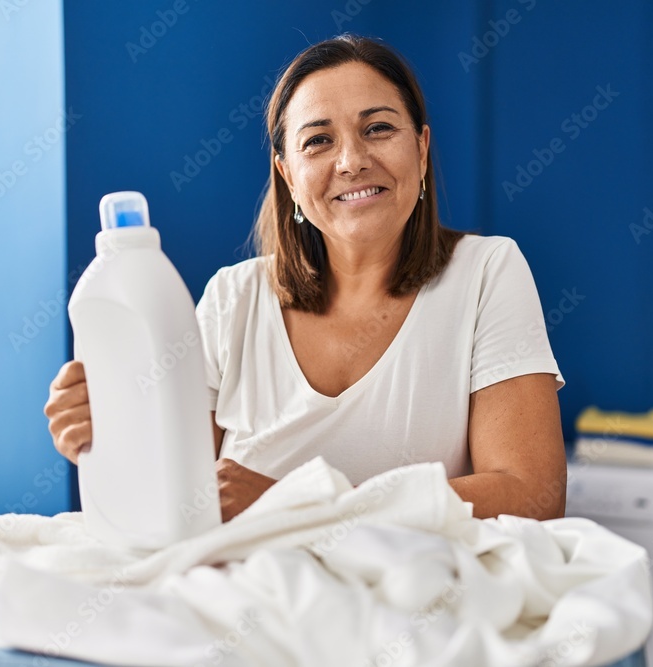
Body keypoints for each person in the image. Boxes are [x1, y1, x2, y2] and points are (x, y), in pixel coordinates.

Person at [45, 34, 566, 523]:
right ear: (288, 174)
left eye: (378, 129)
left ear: (422, 148)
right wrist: (107, 435)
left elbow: (530, 495)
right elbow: (172, 495)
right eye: (318, 141)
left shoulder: (486, 273)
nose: (352, 161)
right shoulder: (233, 298)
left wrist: (301, 505)